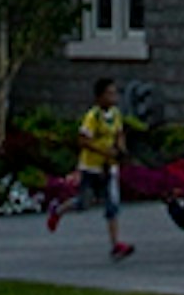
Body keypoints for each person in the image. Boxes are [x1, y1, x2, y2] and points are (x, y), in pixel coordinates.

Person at [49, 75, 132, 260]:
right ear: (99, 97)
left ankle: (116, 244)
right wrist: (104, 152)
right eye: (109, 93)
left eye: (114, 93)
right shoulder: (93, 116)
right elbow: (83, 140)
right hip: (91, 166)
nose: (113, 97)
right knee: (84, 202)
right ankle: (58, 210)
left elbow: (119, 133)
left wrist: (121, 151)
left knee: (112, 204)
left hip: (109, 168)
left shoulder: (116, 114)